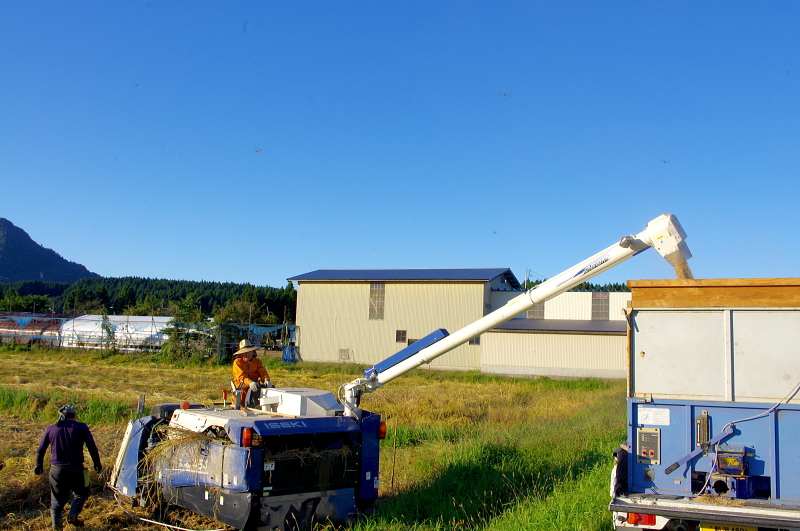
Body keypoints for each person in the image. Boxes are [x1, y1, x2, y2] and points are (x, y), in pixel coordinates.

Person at [35, 405, 102, 530]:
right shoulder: (81, 427)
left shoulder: (51, 428)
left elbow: (41, 449)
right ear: (75, 415)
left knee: (56, 503)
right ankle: (73, 515)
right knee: (82, 493)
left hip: (56, 470)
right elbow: (92, 447)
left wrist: (38, 464)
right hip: (76, 469)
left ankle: (57, 528)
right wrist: (97, 463)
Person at [232, 339, 274, 405]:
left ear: (252, 352)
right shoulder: (237, 362)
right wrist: (250, 383)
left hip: (254, 393)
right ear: (241, 354)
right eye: (244, 352)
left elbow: (263, 372)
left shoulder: (258, 362)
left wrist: (266, 380)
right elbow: (240, 376)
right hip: (240, 394)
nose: (247, 354)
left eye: (248, 352)